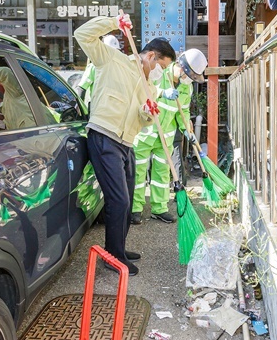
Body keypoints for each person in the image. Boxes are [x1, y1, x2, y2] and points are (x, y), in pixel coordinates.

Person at [74, 15, 176, 276]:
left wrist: (146, 113)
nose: (161, 73)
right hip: (103, 136)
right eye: (162, 67)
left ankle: (117, 247)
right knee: (117, 200)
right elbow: (82, 35)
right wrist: (112, 22)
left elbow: (142, 122)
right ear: (151, 56)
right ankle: (113, 257)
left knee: (128, 201)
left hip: (126, 143)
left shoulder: (149, 86)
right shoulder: (112, 59)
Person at [131, 48, 208, 225]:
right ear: (181, 67)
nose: (189, 80)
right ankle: (135, 209)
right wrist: (161, 93)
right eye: (189, 75)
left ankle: (159, 209)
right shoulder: (159, 73)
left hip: (164, 137)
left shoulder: (186, 88)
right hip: (144, 134)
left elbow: (184, 112)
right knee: (138, 172)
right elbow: (141, 94)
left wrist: (188, 131)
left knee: (162, 174)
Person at [76, 32, 120, 106]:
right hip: (97, 107)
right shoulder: (94, 66)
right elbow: (81, 89)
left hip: (114, 107)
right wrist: (79, 109)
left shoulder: (118, 67)